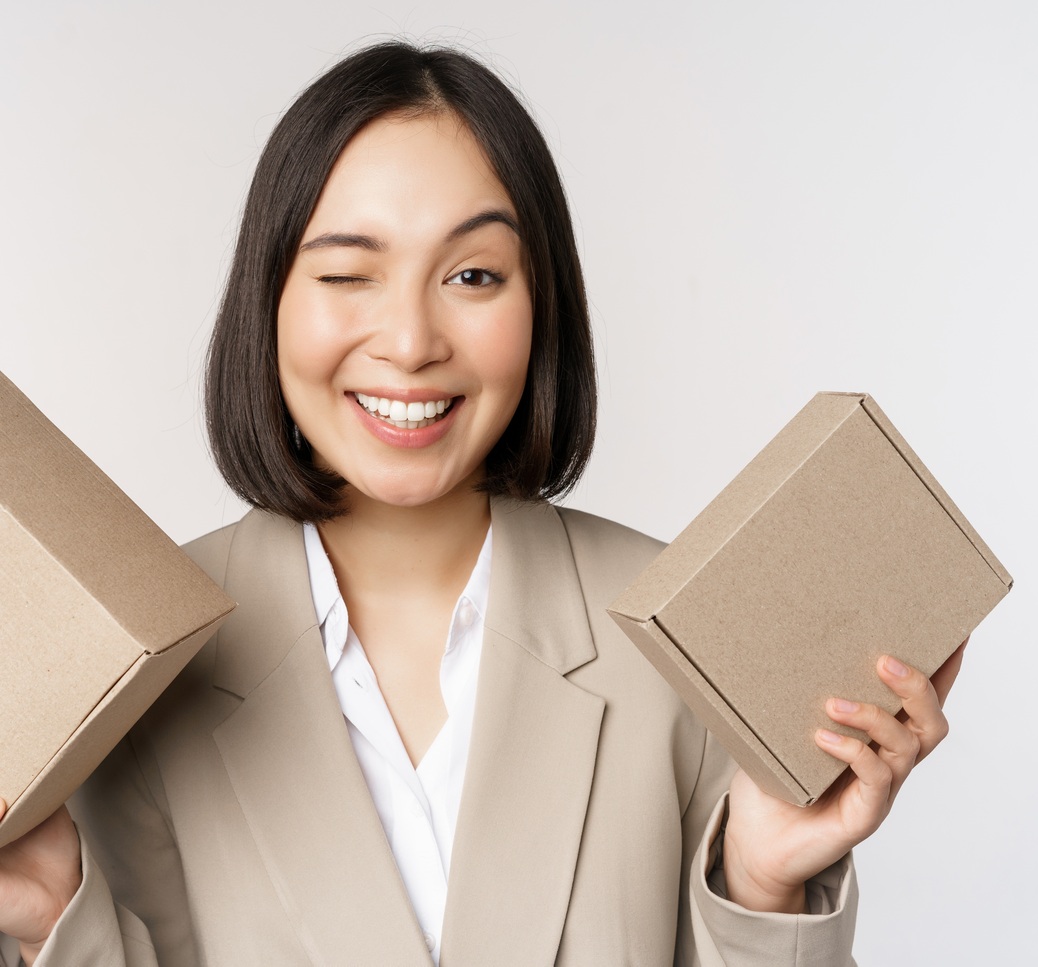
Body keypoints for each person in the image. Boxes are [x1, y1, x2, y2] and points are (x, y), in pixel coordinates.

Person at [0, 41, 962, 967]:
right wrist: (51, 923)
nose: (411, 341)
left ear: (542, 307)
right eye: (346, 274)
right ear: (270, 302)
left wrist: (761, 890)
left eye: (473, 276)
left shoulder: (684, 644)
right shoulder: (113, 672)